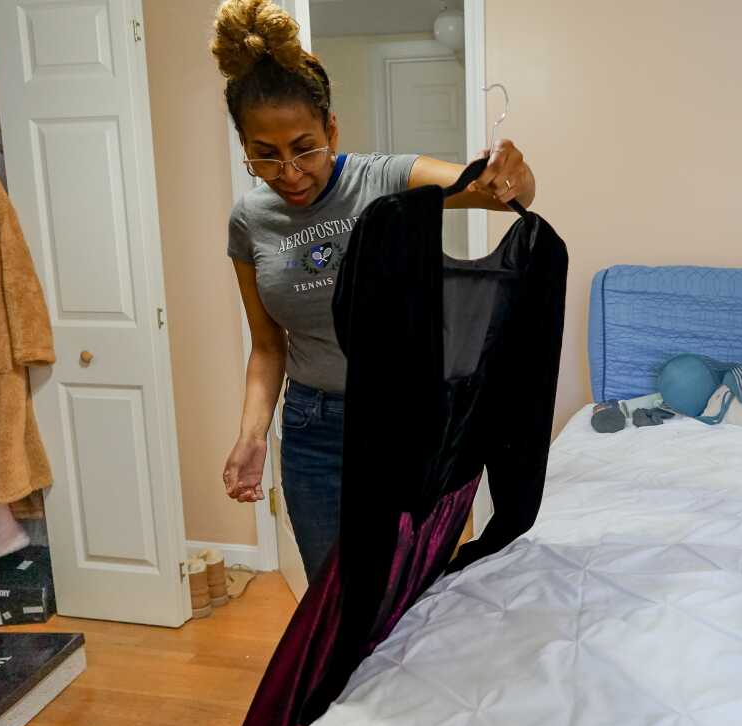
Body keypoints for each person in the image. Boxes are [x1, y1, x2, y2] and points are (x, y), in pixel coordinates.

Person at [212, 0, 536, 579]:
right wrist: (251, 436)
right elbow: (267, 346)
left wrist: (510, 173)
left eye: (304, 147)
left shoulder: (384, 179)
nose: (289, 172)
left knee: (409, 588)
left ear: (331, 129)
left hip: (404, 421)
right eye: (265, 156)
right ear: (245, 146)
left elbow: (497, 194)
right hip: (313, 432)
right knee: (334, 593)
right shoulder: (248, 221)